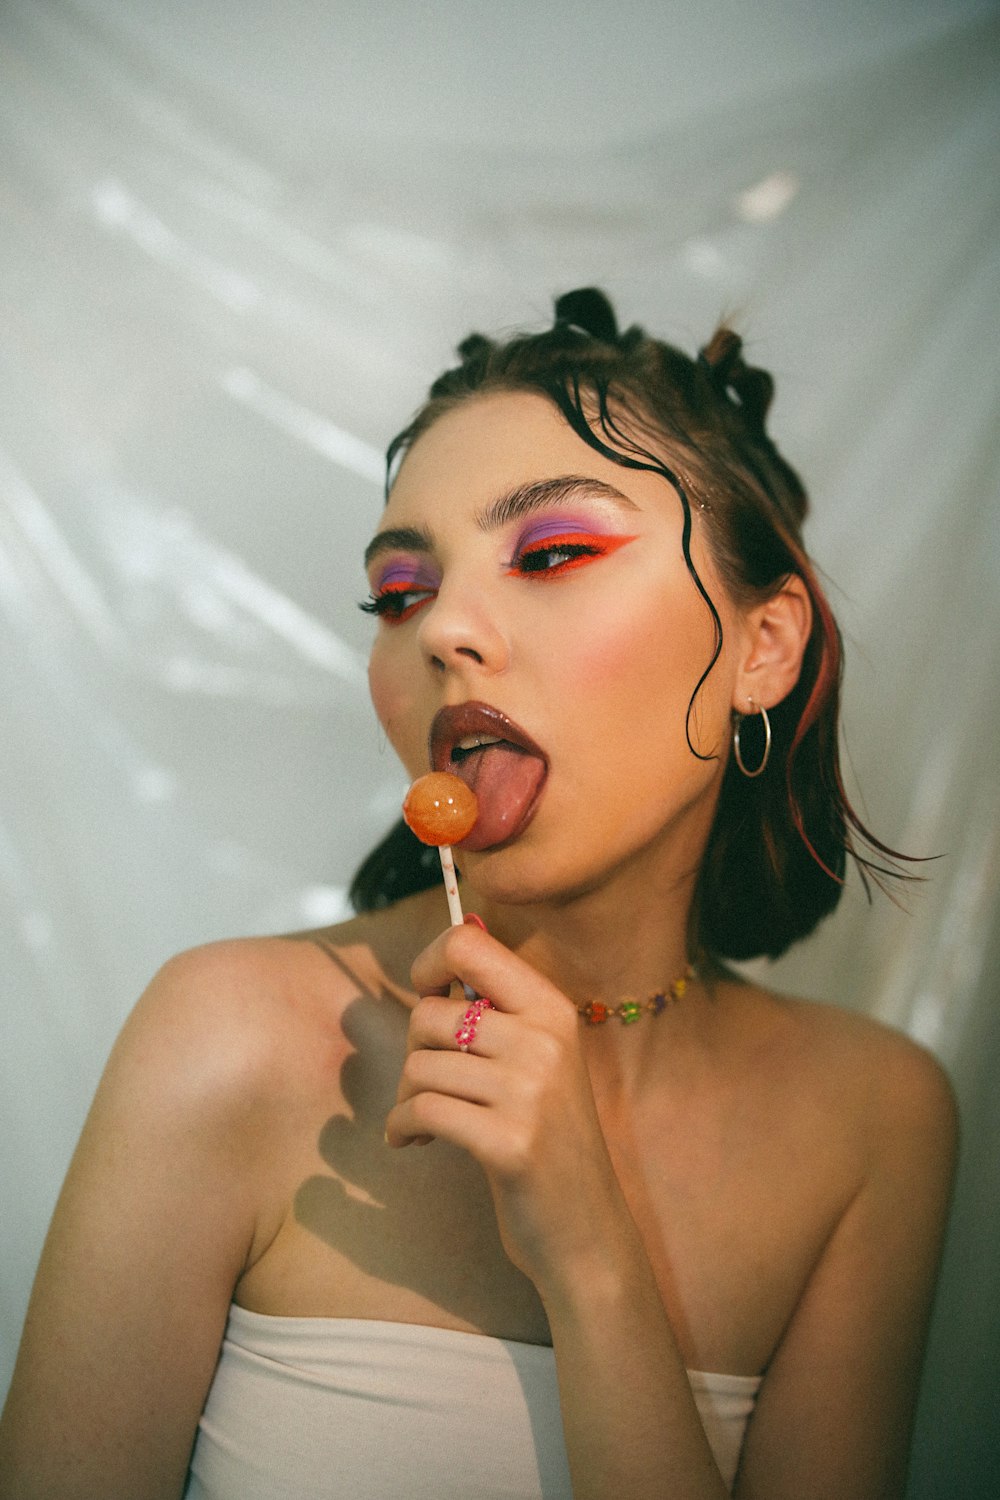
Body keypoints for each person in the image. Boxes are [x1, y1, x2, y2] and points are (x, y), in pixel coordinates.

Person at [0, 289, 957, 1499]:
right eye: (398, 593)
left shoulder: (872, 1121)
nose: (444, 626)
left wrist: (595, 1263)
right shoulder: (226, 1035)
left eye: (553, 553)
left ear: (762, 648)